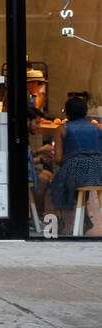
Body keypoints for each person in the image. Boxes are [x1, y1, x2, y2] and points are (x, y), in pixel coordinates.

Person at [49, 97, 102, 236]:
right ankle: (84, 219)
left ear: (67, 113)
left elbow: (59, 159)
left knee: (54, 185)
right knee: (80, 184)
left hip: (75, 170)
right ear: (85, 112)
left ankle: (59, 221)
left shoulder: (62, 128)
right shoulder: (96, 128)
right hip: (98, 172)